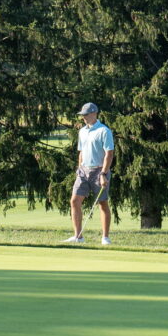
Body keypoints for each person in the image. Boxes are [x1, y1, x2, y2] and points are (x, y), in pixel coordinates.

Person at [64, 102, 114, 245]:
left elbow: (109, 153)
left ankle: (105, 237)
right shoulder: (82, 131)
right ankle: (78, 236)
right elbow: (81, 151)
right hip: (83, 170)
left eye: (86, 115)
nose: (83, 117)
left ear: (94, 114)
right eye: (82, 115)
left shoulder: (104, 131)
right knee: (74, 201)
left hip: (99, 170)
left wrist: (104, 173)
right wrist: (79, 168)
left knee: (102, 203)